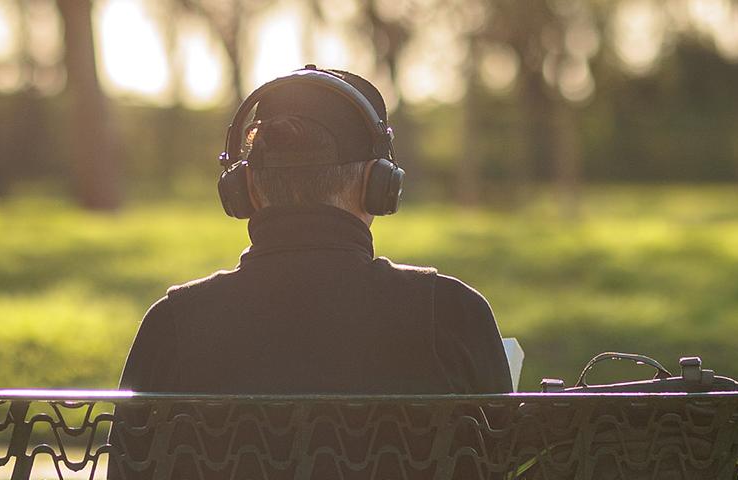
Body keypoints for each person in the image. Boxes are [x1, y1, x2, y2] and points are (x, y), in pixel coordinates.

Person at [109, 66, 511, 479]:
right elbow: (506, 462)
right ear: (378, 184)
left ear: (245, 188)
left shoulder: (172, 324)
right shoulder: (451, 313)